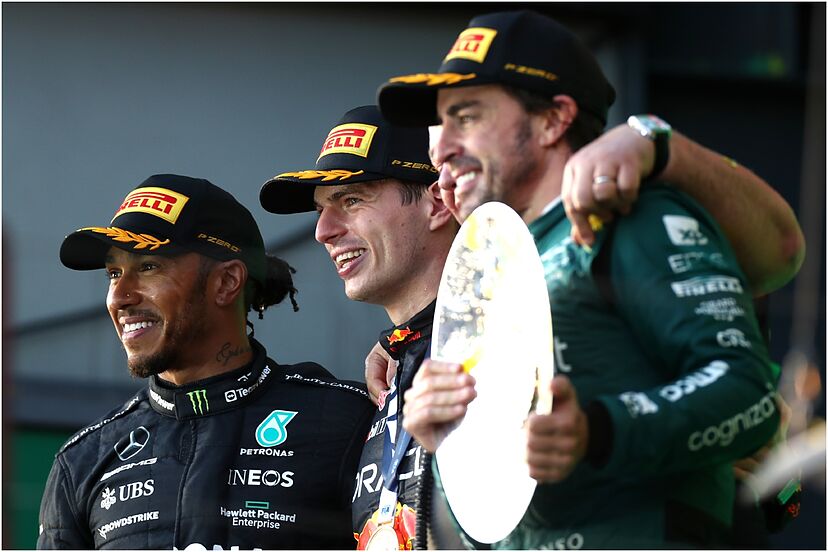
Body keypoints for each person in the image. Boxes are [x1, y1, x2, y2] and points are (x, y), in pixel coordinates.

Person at [377, 9, 800, 548]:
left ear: (553, 120)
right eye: (440, 126)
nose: (439, 148)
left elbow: (750, 396)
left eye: (467, 116)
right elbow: (487, 521)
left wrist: (599, 430)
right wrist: (446, 439)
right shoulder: (492, 272)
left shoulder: (631, 217)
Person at [38, 174, 374, 550]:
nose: (120, 297)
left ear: (227, 282)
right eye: (114, 274)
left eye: (148, 267)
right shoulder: (84, 460)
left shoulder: (347, 419)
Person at [260, 105, 460, 550]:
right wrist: (407, 342)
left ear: (437, 203)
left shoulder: (503, 336)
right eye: (321, 209)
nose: (323, 231)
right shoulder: (396, 369)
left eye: (351, 200)